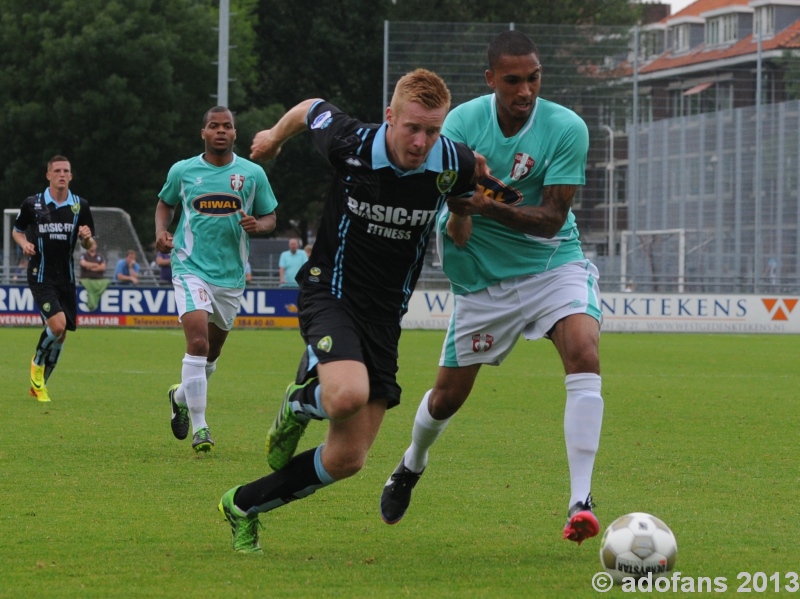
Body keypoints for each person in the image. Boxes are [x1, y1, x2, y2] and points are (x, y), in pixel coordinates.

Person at [217, 68, 483, 553]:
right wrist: (275, 138)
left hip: (385, 318)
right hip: (331, 291)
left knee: (348, 458)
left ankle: (242, 505)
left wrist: (461, 222)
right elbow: (311, 105)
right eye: (412, 127)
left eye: (433, 130)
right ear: (390, 117)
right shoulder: (351, 142)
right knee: (346, 397)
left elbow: (463, 202)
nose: (421, 141)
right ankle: (301, 401)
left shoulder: (455, 162)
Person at [379, 31, 604, 546]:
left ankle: (581, 500)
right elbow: (456, 221)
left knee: (584, 352)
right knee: (445, 399)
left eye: (534, 78)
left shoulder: (566, 127)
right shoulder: (460, 126)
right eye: (513, 80)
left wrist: (486, 206)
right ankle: (412, 463)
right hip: (481, 279)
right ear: (490, 80)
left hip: (553, 265)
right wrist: (463, 210)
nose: (525, 90)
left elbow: (551, 220)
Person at [155, 106, 277, 453]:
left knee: (211, 354)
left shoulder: (252, 173)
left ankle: (178, 396)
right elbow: (165, 204)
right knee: (197, 343)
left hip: (231, 276)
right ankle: (201, 428)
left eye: (227, 126)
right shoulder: (183, 170)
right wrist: (162, 232)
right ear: (203, 133)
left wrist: (259, 225)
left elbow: (270, 216)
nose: (221, 131)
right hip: (189, 266)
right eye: (214, 125)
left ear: (235, 133)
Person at [11, 155, 95, 402]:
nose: (61, 174)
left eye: (66, 171)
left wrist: (86, 238)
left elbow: (90, 244)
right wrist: (25, 243)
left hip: (66, 278)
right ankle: (37, 364)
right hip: (40, 274)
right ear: (48, 175)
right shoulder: (33, 204)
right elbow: (17, 231)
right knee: (56, 326)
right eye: (57, 170)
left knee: (62, 333)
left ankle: (40, 385)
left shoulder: (80, 205)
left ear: (71, 176)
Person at [79, 240, 110, 311]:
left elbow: (103, 267)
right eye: (90, 244)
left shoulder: (100, 256)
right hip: (86, 279)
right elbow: (83, 264)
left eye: (93, 244)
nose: (92, 246)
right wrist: (96, 265)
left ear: (96, 246)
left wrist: (90, 267)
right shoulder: (83, 255)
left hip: (99, 279)